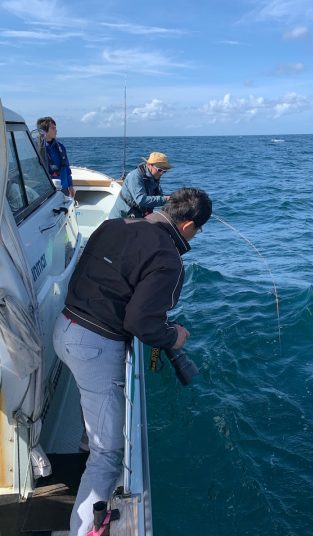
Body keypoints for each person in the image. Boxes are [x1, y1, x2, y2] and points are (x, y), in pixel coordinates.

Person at [52, 187, 212, 536]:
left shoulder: (113, 225)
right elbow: (141, 324)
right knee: (108, 454)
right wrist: (174, 336)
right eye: (198, 230)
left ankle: (83, 444)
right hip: (94, 348)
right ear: (187, 226)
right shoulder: (169, 259)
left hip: (64, 328)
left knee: (90, 404)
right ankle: (84, 530)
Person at [109, 151, 172, 218]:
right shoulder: (135, 176)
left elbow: (159, 196)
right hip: (122, 217)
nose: (161, 173)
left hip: (139, 215)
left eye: (164, 171)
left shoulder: (154, 178)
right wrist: (165, 199)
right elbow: (141, 200)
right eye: (159, 170)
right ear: (149, 165)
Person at [36, 116, 75, 197]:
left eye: (55, 128)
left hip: (63, 188)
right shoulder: (35, 147)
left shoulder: (61, 147)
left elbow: (67, 168)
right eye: (53, 128)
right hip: (46, 190)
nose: (56, 130)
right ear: (44, 131)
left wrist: (70, 186)